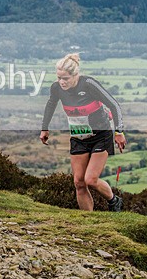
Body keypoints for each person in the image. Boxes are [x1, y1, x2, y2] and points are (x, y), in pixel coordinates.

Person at [40, 53, 126, 211]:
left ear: (75, 75)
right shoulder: (56, 88)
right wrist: (45, 128)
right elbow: (51, 104)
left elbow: (114, 105)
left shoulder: (89, 84)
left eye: (65, 78)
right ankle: (88, 220)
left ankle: (114, 201)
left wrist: (119, 131)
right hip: (78, 138)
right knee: (79, 183)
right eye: (59, 78)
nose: (61, 82)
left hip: (100, 135)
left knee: (91, 180)